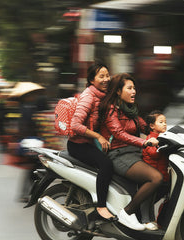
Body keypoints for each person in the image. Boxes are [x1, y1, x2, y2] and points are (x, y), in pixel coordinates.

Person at [99, 73, 163, 231]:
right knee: (155, 178)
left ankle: (147, 219)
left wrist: (163, 130)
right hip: (119, 154)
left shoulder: (130, 109)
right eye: (129, 88)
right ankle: (127, 213)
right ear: (118, 92)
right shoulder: (111, 110)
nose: (134, 91)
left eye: (134, 88)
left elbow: (143, 126)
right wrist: (144, 142)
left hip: (133, 153)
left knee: (164, 176)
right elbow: (119, 133)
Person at [68, 62, 117, 221]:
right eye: (101, 76)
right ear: (91, 80)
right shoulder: (89, 96)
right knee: (106, 164)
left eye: (107, 75)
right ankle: (101, 207)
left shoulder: (102, 96)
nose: (105, 79)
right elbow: (75, 125)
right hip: (78, 145)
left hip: (88, 143)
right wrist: (98, 137)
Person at [140, 110, 170, 229]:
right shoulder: (151, 139)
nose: (164, 124)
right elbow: (154, 154)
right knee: (147, 198)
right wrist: (158, 145)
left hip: (161, 174)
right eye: (161, 122)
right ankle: (145, 220)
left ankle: (152, 220)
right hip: (151, 176)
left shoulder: (162, 138)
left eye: (165, 122)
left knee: (152, 199)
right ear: (152, 126)